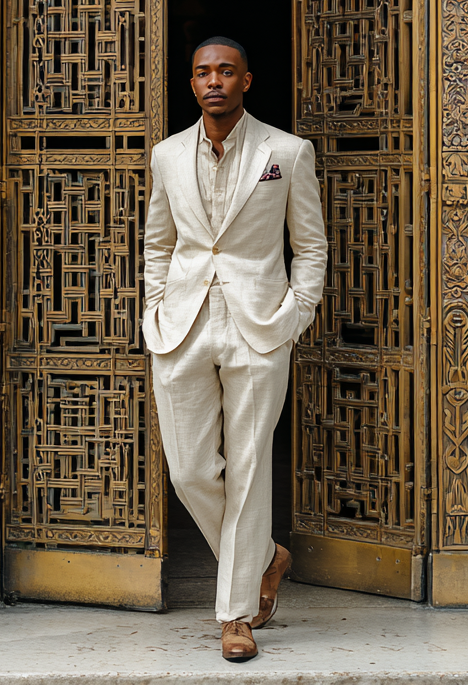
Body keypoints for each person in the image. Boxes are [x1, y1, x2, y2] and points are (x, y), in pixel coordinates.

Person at [142, 36, 327, 661]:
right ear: (191, 83)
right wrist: (154, 306)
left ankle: (236, 616)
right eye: (203, 72)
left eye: (226, 71)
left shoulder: (287, 151)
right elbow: (158, 243)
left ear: (247, 80)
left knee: (249, 469)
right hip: (182, 324)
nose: (214, 81)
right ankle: (264, 558)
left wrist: (296, 314)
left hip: (259, 324)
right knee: (190, 471)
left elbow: (310, 245)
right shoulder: (167, 155)